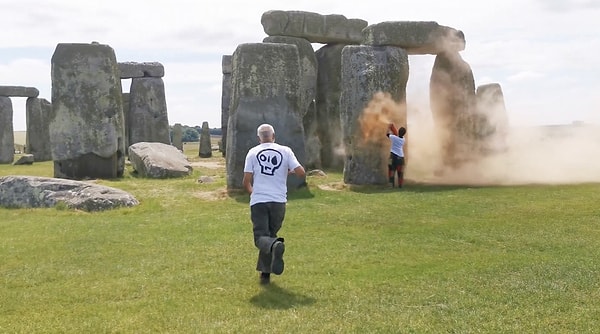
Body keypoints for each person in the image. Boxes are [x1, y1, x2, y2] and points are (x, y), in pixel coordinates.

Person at [242, 123, 306, 285]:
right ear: (274, 136)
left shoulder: (252, 152)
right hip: (278, 201)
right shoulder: (286, 151)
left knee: (261, 239)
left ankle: (275, 246)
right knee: (269, 236)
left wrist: (253, 193)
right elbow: (301, 173)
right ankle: (265, 275)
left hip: (259, 201)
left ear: (259, 138)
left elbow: (246, 181)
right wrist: (288, 171)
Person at [387, 123, 406, 188]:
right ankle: (400, 185)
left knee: (391, 170)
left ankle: (391, 185)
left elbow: (387, 134)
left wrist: (389, 128)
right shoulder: (403, 139)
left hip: (392, 156)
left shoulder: (394, 137)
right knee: (400, 172)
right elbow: (397, 135)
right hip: (401, 157)